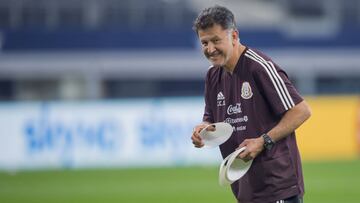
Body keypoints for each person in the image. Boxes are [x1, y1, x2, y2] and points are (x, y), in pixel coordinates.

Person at [191, 5, 311, 203]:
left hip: (277, 188)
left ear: (234, 36)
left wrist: (263, 140)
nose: (210, 49)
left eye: (215, 40)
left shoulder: (259, 67)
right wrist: (203, 130)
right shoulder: (213, 76)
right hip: (245, 189)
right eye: (204, 42)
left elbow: (301, 111)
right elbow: (210, 118)